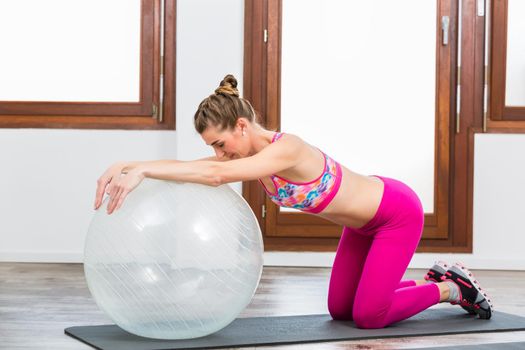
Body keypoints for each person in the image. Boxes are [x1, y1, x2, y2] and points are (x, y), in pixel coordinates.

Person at [94, 74, 493, 328]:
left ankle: (449, 287)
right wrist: (132, 164)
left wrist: (142, 169)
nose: (218, 154)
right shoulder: (249, 157)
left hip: (394, 214)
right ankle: (389, 284)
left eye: (220, 143)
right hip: (360, 225)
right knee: (341, 310)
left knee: (369, 316)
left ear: (242, 126)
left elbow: (212, 175)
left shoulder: (288, 150)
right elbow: (194, 168)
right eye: (212, 147)